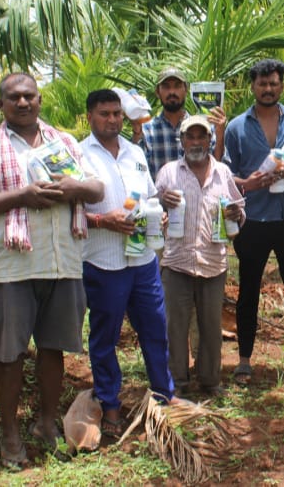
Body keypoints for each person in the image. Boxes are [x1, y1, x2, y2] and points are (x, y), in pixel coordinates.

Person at [0, 73, 104, 469]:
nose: (23, 103)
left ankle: (44, 423)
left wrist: (73, 188)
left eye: (30, 96)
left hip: (62, 264)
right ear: (1, 104)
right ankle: (10, 433)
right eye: (14, 98)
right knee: (9, 355)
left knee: (54, 349)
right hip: (12, 267)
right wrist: (22, 196)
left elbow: (96, 190)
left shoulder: (66, 144)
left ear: (40, 100)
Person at [78, 89, 177, 435]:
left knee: (154, 327)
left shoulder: (135, 152)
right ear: (90, 116)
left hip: (143, 260)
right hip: (103, 262)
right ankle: (110, 404)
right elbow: (70, 211)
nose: (113, 120)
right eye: (104, 114)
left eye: (117, 114)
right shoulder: (78, 155)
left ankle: (164, 395)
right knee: (105, 337)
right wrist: (104, 221)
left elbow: (149, 196)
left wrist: (158, 217)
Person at [224, 58, 284, 385]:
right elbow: (225, 175)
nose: (268, 89)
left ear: (282, 86)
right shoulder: (237, 127)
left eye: (274, 83)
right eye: (262, 83)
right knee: (248, 290)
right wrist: (246, 183)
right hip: (252, 218)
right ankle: (244, 359)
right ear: (253, 86)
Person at [155, 115, 244, 398]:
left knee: (210, 327)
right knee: (175, 328)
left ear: (210, 140)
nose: (195, 142)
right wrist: (161, 209)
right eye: (189, 137)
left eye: (201, 136)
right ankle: (178, 383)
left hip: (212, 262)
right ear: (181, 141)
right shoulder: (168, 172)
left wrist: (236, 214)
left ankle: (210, 381)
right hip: (177, 262)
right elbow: (150, 212)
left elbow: (239, 212)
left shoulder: (223, 173)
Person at [133, 67, 227, 179]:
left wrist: (220, 133)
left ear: (186, 90)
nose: (172, 92)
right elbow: (137, 168)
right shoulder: (148, 130)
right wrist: (136, 133)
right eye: (166, 87)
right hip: (161, 195)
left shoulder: (202, 127)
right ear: (158, 92)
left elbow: (217, 165)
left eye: (177, 86)